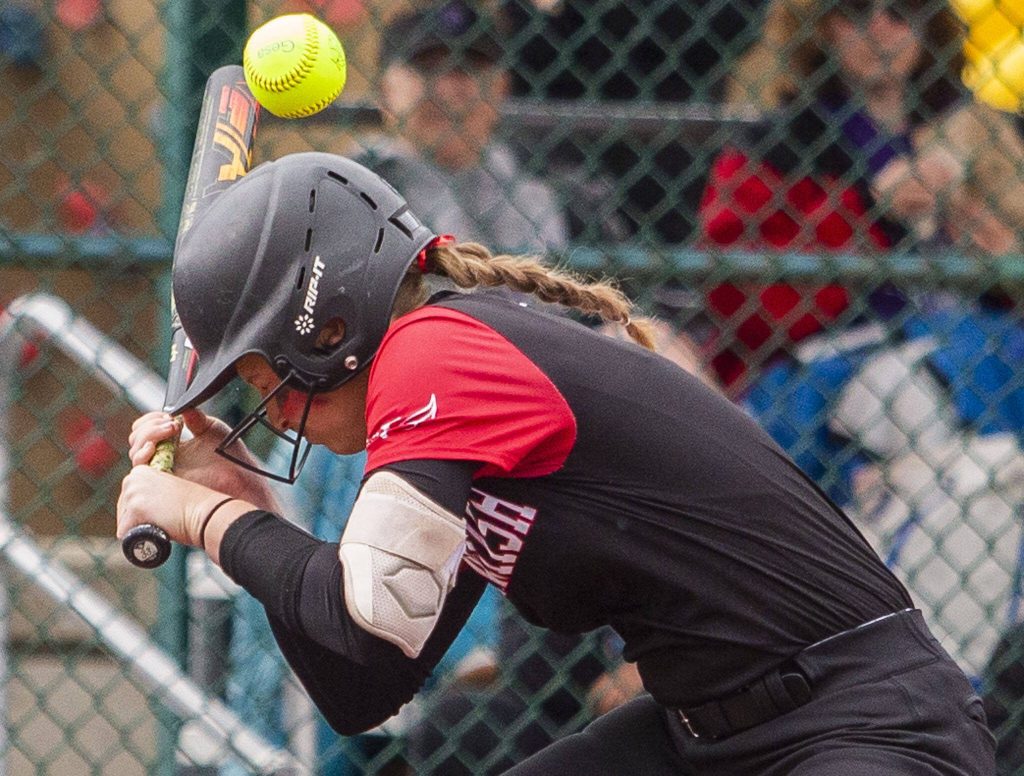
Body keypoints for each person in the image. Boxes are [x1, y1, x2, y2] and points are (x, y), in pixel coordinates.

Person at [117, 151, 994, 775]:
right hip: (711, 735)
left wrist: (205, 517)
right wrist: (245, 511)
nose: (267, 401)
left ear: (329, 329)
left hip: (861, 725)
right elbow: (363, 680)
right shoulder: (445, 392)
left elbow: (361, 618)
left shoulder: (435, 354)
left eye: (263, 372)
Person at [696, 0, 1024, 394]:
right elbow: (745, 306)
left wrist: (1000, 260)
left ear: (930, 26)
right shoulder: (777, 145)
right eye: (855, 10)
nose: (878, 29)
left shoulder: (977, 133)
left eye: (904, 11)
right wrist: (870, 211)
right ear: (822, 25)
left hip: (974, 346)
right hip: (830, 365)